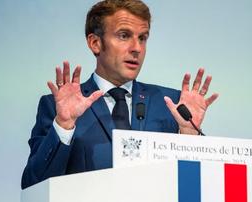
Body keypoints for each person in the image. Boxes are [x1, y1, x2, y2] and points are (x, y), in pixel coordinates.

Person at [21, 0, 218, 189]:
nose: (137, 48)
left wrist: (189, 137)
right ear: (95, 43)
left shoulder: (172, 105)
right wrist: (64, 125)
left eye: (143, 38)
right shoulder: (58, 107)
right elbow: (33, 183)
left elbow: (193, 187)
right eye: (124, 35)